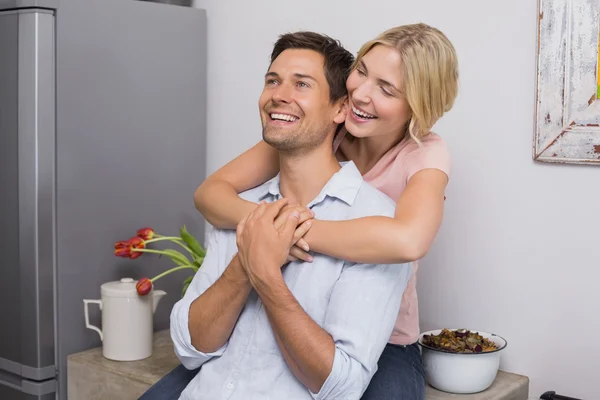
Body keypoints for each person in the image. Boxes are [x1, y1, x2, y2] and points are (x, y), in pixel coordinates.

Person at [141, 23, 459, 400]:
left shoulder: (423, 154)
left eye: (386, 89)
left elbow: (408, 239)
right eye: (361, 71)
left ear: (419, 107)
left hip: (388, 339)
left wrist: (286, 230)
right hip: (292, 312)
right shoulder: (315, 129)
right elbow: (211, 194)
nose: (360, 93)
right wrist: (262, 232)